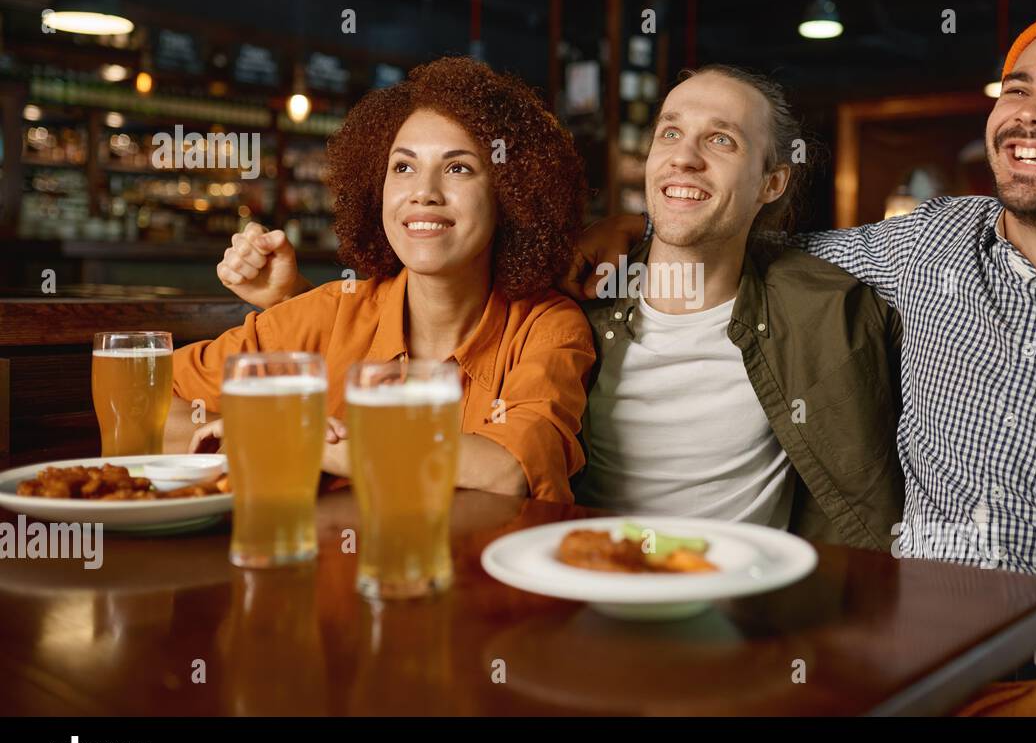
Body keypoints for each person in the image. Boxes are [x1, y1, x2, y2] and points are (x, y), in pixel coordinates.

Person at [565, 7, 1036, 716]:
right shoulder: (926, 246)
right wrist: (631, 226)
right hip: (907, 661)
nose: (1032, 112)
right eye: (1017, 89)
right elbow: (745, 249)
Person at [217, 64, 908, 548]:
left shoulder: (827, 312)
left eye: (721, 140)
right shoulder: (571, 299)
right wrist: (287, 311)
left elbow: (860, 505)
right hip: (574, 585)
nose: (686, 158)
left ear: (771, 182)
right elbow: (410, 318)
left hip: (736, 606)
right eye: (670, 133)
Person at [163, 57, 595, 503]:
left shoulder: (548, 327)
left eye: (458, 168)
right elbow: (151, 402)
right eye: (403, 167)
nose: (423, 191)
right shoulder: (329, 312)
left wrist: (302, 438)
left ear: (510, 194)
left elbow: (508, 470)